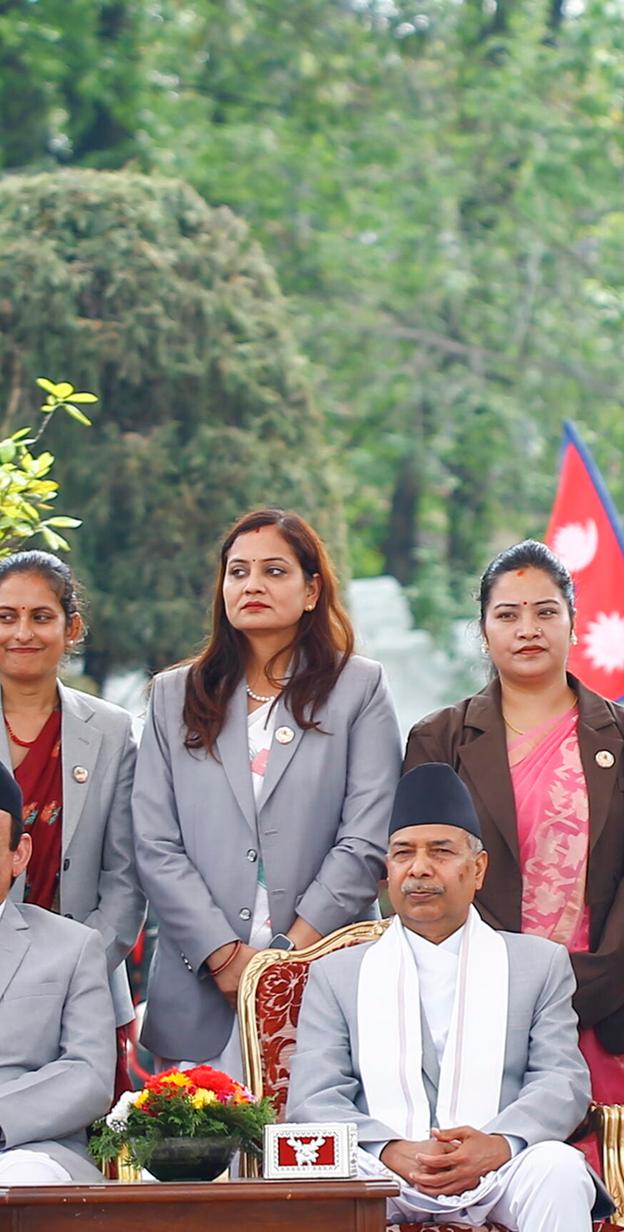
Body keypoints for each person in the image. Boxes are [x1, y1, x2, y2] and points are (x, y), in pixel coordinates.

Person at [405, 539, 624, 1207]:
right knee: (470, 1187)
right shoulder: (440, 740)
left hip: (602, 1006)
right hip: (469, 1009)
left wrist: (575, 994)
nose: (527, 628)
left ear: (573, 622)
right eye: (508, 614)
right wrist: (503, 993)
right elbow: (423, 873)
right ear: (483, 629)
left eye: (545, 611)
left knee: (593, 1195)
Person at [133, 506, 401, 1070]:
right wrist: (223, 955)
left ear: (311, 591)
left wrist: (285, 962)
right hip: (200, 987)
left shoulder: (358, 688)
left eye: (274, 571)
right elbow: (155, 843)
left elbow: (366, 838)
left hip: (323, 975)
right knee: (200, 1127)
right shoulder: (174, 696)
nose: (252, 584)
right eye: (238, 571)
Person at [287, 763, 604, 1232]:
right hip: (380, 1170)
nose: (419, 868)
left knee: (558, 1170)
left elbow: (561, 1080)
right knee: (318, 1181)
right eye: (403, 853)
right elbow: (314, 1097)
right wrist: (391, 1149)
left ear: (478, 869)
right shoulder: (338, 974)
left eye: (440, 851)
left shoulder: (539, 964)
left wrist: (498, 1145)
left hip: (500, 1168)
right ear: (388, 870)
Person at [0, 551, 142, 1074]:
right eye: (6, 617)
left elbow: (126, 877)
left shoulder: (112, 731)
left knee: (84, 1118)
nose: (22, 633)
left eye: (41, 616)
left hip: (87, 991)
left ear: (72, 627)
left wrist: (72, 973)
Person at [0, 760, 115, 1185]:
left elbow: (88, 1074)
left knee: (26, 1179)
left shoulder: (72, 947)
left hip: (26, 1150)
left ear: (19, 854)